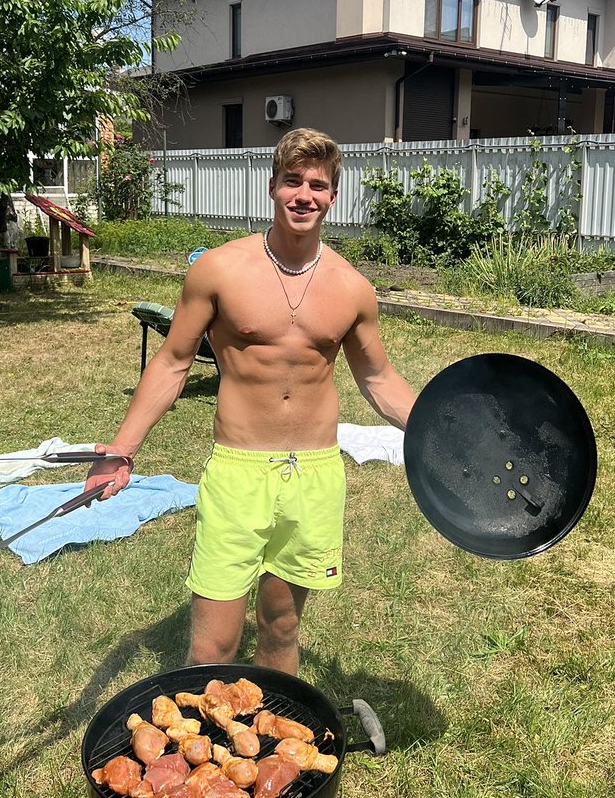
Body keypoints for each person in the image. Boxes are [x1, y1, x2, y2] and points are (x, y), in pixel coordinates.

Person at [85, 127, 415, 674]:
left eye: (317, 185)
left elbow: (378, 378)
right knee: (212, 648)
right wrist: (122, 450)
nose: (304, 195)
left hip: (313, 474)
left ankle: (271, 727)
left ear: (333, 196)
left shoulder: (352, 287)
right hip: (239, 471)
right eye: (292, 181)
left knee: (281, 629)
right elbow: (172, 362)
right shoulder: (219, 270)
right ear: (272, 187)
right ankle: (202, 729)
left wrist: (435, 432)